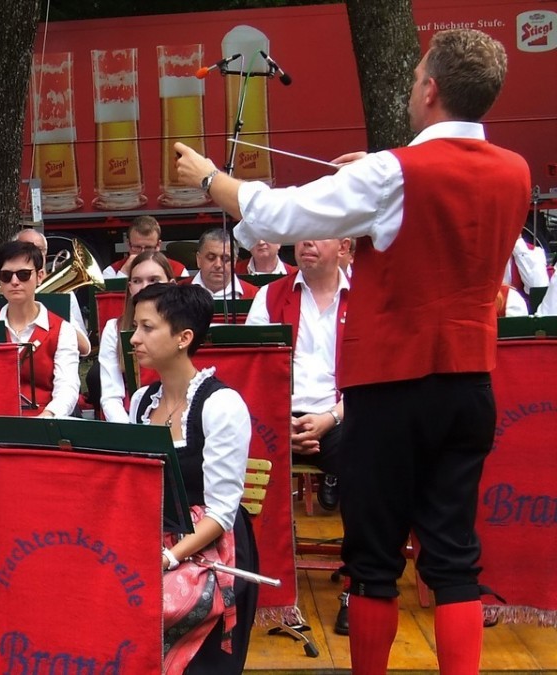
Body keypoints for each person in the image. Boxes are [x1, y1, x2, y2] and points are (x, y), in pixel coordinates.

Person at [175, 29, 530, 674]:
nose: (412, 87)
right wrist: (377, 178)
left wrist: (209, 177)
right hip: (469, 383)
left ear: (431, 89)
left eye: (416, 78)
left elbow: (279, 215)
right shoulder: (514, 170)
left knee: (372, 563)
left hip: (392, 389)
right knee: (454, 559)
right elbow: (437, 212)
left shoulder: (392, 173)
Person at [127, 283, 256, 675]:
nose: (134, 338)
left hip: (213, 554)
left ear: (183, 338)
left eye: (147, 327)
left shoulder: (222, 405)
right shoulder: (141, 401)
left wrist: (168, 558)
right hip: (153, 543)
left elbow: (221, 514)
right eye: (136, 326)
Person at [245, 238, 350, 632]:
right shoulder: (269, 296)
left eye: (319, 233)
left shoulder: (366, 297)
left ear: (344, 245)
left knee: (366, 459)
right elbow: (254, 370)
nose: (306, 240)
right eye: (302, 231)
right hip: (276, 415)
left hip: (339, 414)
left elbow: (373, 379)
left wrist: (330, 418)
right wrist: (277, 421)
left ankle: (357, 586)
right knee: (232, 452)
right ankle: (254, 585)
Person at [0, 240, 80, 418]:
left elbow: (67, 387)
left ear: (40, 276)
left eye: (23, 274)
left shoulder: (63, 330)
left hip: (43, 421)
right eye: (6, 276)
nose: (14, 282)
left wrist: (48, 415)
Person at [98, 250, 173, 422]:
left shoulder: (184, 328)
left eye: (154, 280)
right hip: (131, 419)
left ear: (171, 284)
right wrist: (131, 431)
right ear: (130, 287)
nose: (145, 287)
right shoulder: (114, 328)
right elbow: (111, 397)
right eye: (137, 281)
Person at [14, 228, 92, 356]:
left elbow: (84, 348)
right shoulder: (8, 288)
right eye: (26, 249)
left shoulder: (64, 293)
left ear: (45, 253)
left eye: (39, 249)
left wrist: (54, 309)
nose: (34, 254)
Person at [102, 216, 189, 280]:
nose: (142, 253)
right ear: (128, 245)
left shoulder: (178, 270)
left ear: (158, 245)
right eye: (137, 247)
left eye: (148, 247)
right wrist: (124, 272)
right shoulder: (112, 271)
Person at [187, 229, 257, 300]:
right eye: (211, 258)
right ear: (198, 259)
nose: (218, 265)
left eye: (225, 259)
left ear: (234, 262)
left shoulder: (255, 295)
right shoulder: (179, 291)